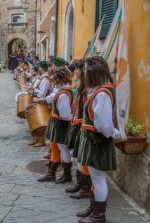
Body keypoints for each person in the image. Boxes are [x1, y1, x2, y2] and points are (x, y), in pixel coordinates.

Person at [76, 56, 125, 223]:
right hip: (94, 141)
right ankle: (93, 209)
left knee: (99, 179)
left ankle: (98, 215)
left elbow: (103, 124)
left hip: (97, 141)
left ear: (93, 73)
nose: (84, 75)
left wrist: (115, 134)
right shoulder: (99, 90)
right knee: (95, 178)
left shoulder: (103, 93)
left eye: (86, 72)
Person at [34, 68, 73, 184]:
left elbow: (65, 115)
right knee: (56, 148)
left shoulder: (64, 94)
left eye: (55, 80)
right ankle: (52, 174)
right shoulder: (62, 91)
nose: (53, 83)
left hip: (61, 125)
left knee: (63, 149)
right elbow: (52, 97)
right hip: (58, 124)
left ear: (59, 80)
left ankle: (66, 175)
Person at [65, 60, 92, 200]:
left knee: (83, 158)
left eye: (77, 69)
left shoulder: (88, 87)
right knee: (77, 156)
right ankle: (80, 184)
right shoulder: (80, 84)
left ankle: (86, 188)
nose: (75, 72)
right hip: (77, 121)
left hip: (83, 125)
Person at [30, 61, 51, 147]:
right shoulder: (43, 77)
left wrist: (34, 90)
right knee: (36, 120)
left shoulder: (45, 79)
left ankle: (41, 140)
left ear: (41, 68)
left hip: (42, 101)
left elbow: (42, 94)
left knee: (40, 122)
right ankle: (36, 139)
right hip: (38, 101)